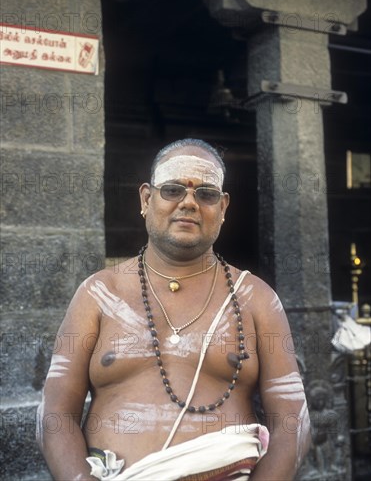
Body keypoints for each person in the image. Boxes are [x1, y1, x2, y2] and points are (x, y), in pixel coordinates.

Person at [36, 138, 311, 480]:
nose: (189, 203)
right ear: (146, 199)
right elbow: (55, 414)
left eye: (206, 194)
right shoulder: (100, 294)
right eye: (173, 190)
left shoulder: (256, 299)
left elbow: (292, 422)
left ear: (222, 208)